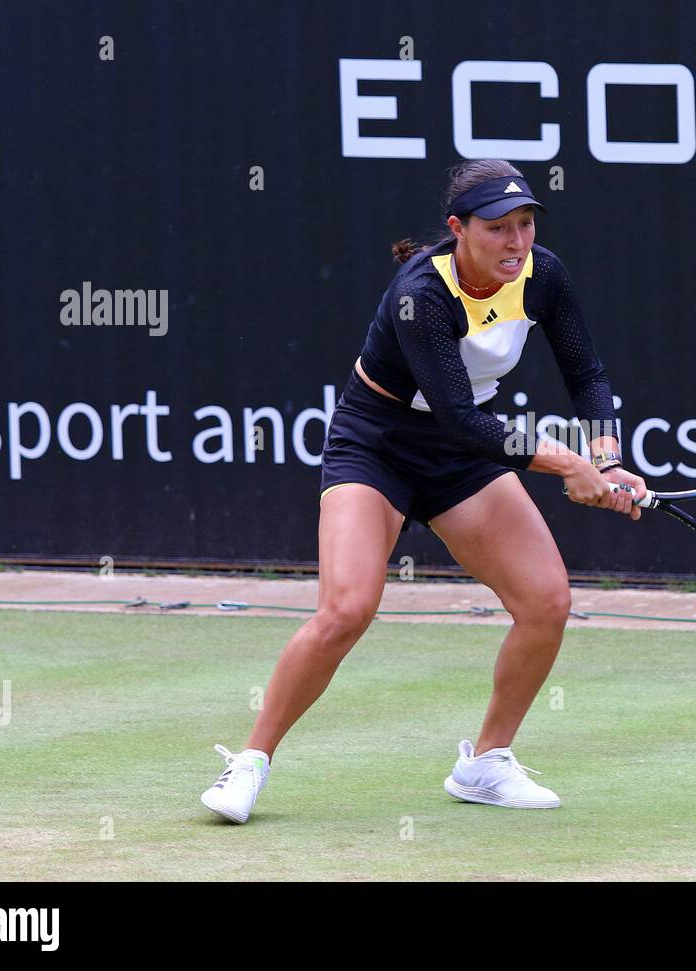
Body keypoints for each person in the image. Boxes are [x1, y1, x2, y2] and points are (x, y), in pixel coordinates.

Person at [201, 159, 646, 822]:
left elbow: (588, 374)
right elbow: (460, 417)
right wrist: (565, 463)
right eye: (498, 227)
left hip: (460, 457)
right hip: (377, 444)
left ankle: (485, 764)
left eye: (526, 224)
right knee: (347, 609)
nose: (516, 241)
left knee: (547, 601)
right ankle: (250, 761)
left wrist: (605, 460)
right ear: (457, 229)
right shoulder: (421, 293)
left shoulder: (544, 274)